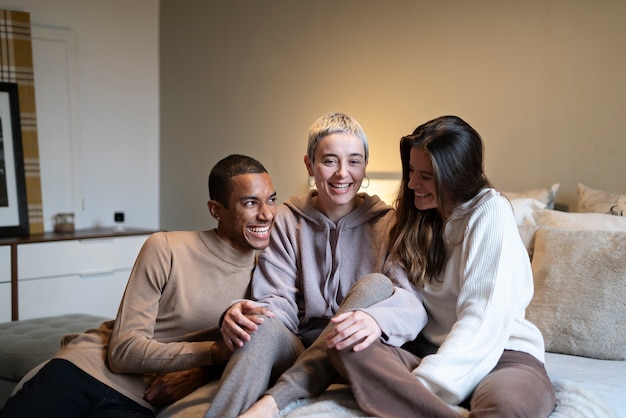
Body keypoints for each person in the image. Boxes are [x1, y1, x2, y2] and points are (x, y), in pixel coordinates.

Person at [0, 154, 277, 418]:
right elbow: (123, 352)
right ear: (216, 210)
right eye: (251, 203)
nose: (266, 214)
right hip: (87, 371)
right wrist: (213, 353)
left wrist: (203, 371)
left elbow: (270, 347)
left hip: (142, 402)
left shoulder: (271, 274)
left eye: (271, 200)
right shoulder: (167, 247)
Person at [328, 115, 557, 417]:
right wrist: (375, 321)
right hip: (429, 353)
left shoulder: (490, 211)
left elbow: (483, 317)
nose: (411, 184)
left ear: (455, 176)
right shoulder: (414, 218)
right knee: (344, 342)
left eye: (426, 176)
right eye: (411, 171)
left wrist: (420, 387)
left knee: (506, 409)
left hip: (503, 354)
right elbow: (403, 294)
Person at [204, 112, 426, 418]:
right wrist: (251, 315)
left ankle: (273, 402)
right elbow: (276, 298)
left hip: (356, 352)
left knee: (378, 285)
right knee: (260, 324)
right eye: (330, 161)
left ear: (365, 166)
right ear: (310, 164)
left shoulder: (391, 223)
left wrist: (375, 320)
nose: (342, 174)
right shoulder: (285, 218)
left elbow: (411, 303)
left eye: (354, 161)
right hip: (299, 347)